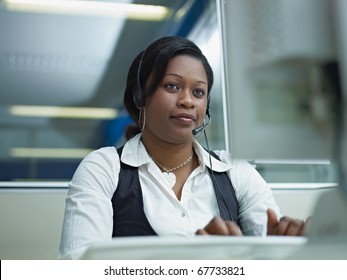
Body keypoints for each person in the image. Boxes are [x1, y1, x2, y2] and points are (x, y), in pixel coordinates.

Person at [58, 36, 308, 259]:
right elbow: (79, 266)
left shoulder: (236, 171)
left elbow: (267, 255)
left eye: (198, 92)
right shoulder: (103, 168)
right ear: (140, 96)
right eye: (172, 86)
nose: (188, 101)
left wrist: (282, 252)